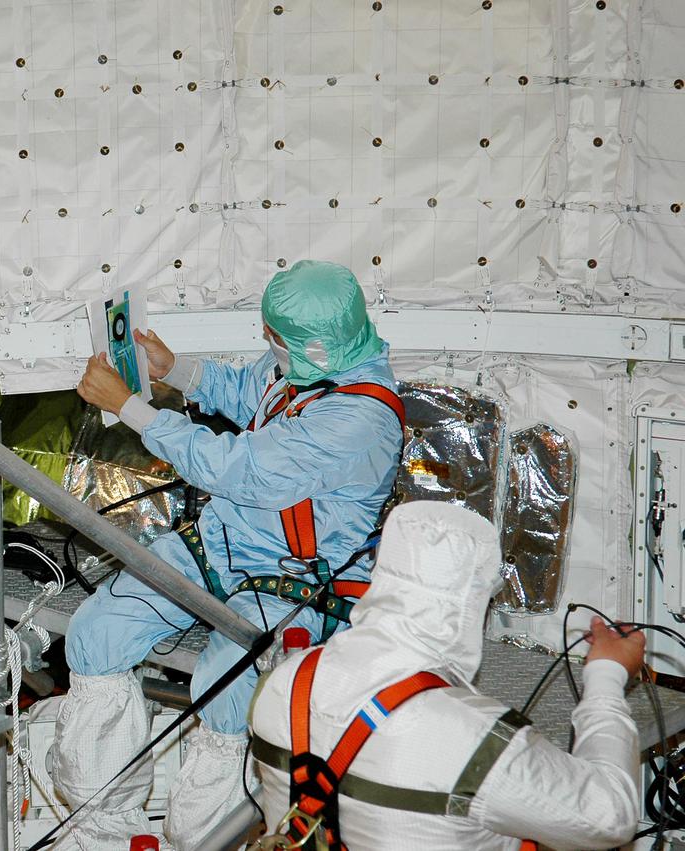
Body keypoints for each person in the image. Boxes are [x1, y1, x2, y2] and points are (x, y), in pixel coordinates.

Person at [46, 260, 405, 849]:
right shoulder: (311, 362)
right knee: (97, 634)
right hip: (219, 542)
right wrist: (175, 371)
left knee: (227, 694)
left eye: (276, 338)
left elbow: (241, 469)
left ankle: (203, 841)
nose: (268, 345)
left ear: (314, 342)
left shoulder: (359, 417)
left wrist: (131, 409)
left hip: (291, 576)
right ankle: (101, 827)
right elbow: (250, 392)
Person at [251, 500, 642, 851]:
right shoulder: (472, 739)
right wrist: (607, 675)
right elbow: (609, 817)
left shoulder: (285, 681)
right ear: (472, 599)